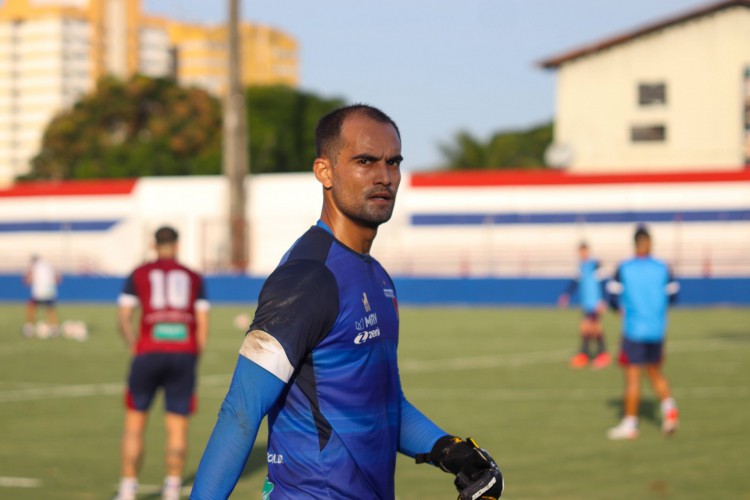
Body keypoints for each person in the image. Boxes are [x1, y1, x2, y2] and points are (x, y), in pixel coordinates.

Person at [190, 105, 504, 499]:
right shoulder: (308, 278)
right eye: (365, 161)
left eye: (393, 163)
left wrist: (449, 450)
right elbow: (240, 410)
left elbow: (384, 404)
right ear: (324, 171)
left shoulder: (378, 278)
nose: (384, 176)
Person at [114, 226, 210, 500]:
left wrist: (135, 344)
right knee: (177, 426)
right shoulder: (193, 277)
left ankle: (128, 489)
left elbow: (123, 317)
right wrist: (193, 357)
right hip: (184, 354)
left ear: (153, 245)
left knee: (134, 424)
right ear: (178, 245)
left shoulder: (139, 273)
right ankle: (172, 488)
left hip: (148, 353)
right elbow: (202, 325)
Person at [606, 225, 679, 440]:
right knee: (655, 372)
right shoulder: (662, 267)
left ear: (635, 243)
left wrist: (623, 309)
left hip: (634, 330)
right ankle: (669, 410)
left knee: (633, 378)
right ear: (650, 243)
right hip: (657, 329)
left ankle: (630, 423)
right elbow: (673, 295)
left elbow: (612, 297)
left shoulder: (625, 267)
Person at [557, 242, 611, 369]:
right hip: (587, 303)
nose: (582, 254)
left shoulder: (595, 265)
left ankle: (591, 354)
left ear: (587, 251)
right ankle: (593, 354)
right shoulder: (581, 266)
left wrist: (603, 300)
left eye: (583, 251)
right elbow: (574, 282)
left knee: (589, 327)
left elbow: (604, 282)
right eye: (580, 252)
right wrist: (566, 295)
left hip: (596, 302)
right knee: (590, 327)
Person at [23, 254, 61, 338]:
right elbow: (58, 278)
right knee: (50, 309)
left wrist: (27, 280)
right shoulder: (48, 265)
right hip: (50, 291)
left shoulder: (34, 266)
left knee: (31, 306)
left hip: (39, 291)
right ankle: (55, 329)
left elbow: (28, 279)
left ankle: (29, 328)